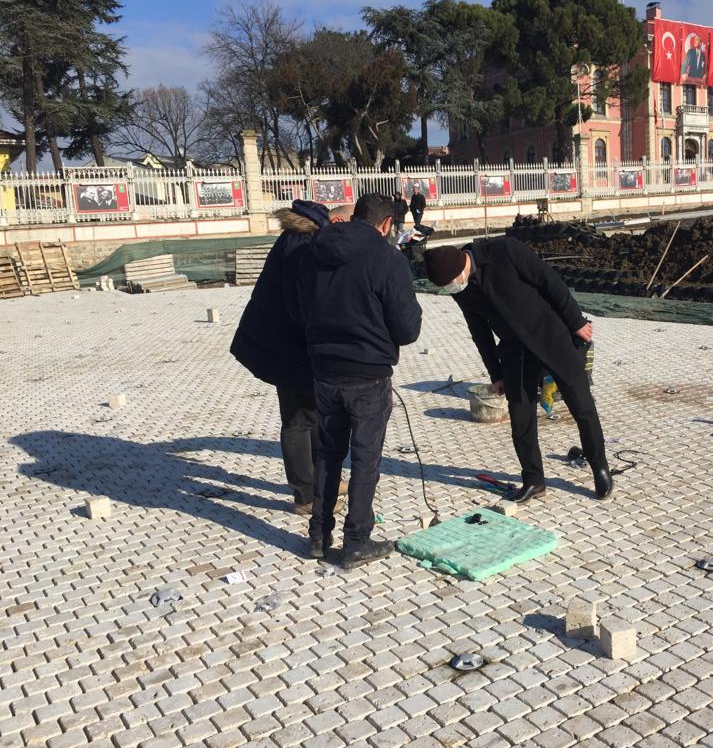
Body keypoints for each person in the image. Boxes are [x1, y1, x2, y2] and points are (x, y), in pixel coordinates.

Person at [423, 238, 611, 504]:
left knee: (581, 405)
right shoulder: (462, 289)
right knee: (521, 417)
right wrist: (495, 373)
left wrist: (576, 321)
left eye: (451, 282)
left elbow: (550, 281)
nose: (451, 288)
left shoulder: (504, 251)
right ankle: (533, 479)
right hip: (515, 351)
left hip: (552, 335)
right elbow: (479, 331)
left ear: (461, 266)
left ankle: (599, 467)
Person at [300, 193, 422, 566]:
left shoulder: (314, 252)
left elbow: (300, 306)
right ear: (387, 224)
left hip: (324, 369)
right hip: (367, 375)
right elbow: (407, 329)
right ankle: (356, 541)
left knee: (328, 454)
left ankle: (319, 537)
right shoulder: (388, 258)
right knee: (365, 459)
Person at [231, 200, 333, 516]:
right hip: (287, 345)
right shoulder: (302, 245)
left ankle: (321, 481)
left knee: (312, 413)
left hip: (286, 342)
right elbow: (298, 303)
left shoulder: (294, 238)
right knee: (298, 419)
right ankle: (305, 494)